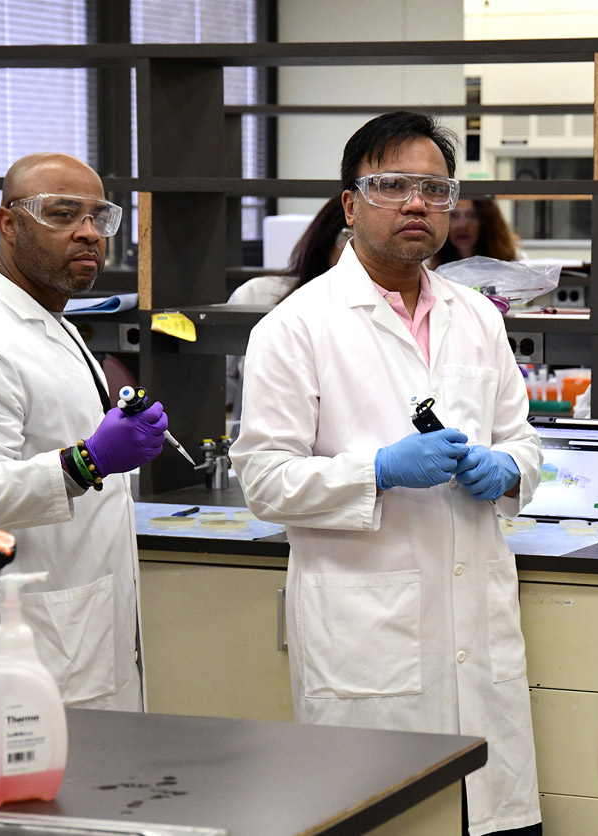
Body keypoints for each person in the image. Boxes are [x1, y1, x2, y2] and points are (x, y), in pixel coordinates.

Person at [232, 111, 543, 836]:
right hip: (367, 647)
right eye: (392, 186)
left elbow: (523, 442)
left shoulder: (479, 318)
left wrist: (507, 468)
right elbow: (265, 481)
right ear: (350, 204)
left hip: (479, 636)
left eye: (435, 190)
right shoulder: (295, 326)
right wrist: (377, 471)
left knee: (492, 821)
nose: (416, 204)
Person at [0, 153, 168, 711]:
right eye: (63, 214)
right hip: (15, 647)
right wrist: (87, 461)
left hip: (73, 630)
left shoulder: (49, 320)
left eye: (99, 217)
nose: (89, 233)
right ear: (8, 224)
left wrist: (111, 441)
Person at [224, 195, 349, 430]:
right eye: (348, 241)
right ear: (326, 239)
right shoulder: (259, 296)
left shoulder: (392, 313)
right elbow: (217, 390)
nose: (358, 256)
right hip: (262, 448)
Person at [427, 197, 520, 269]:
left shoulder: (511, 263)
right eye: (454, 215)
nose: (462, 225)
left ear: (486, 221)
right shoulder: (430, 266)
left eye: (472, 215)